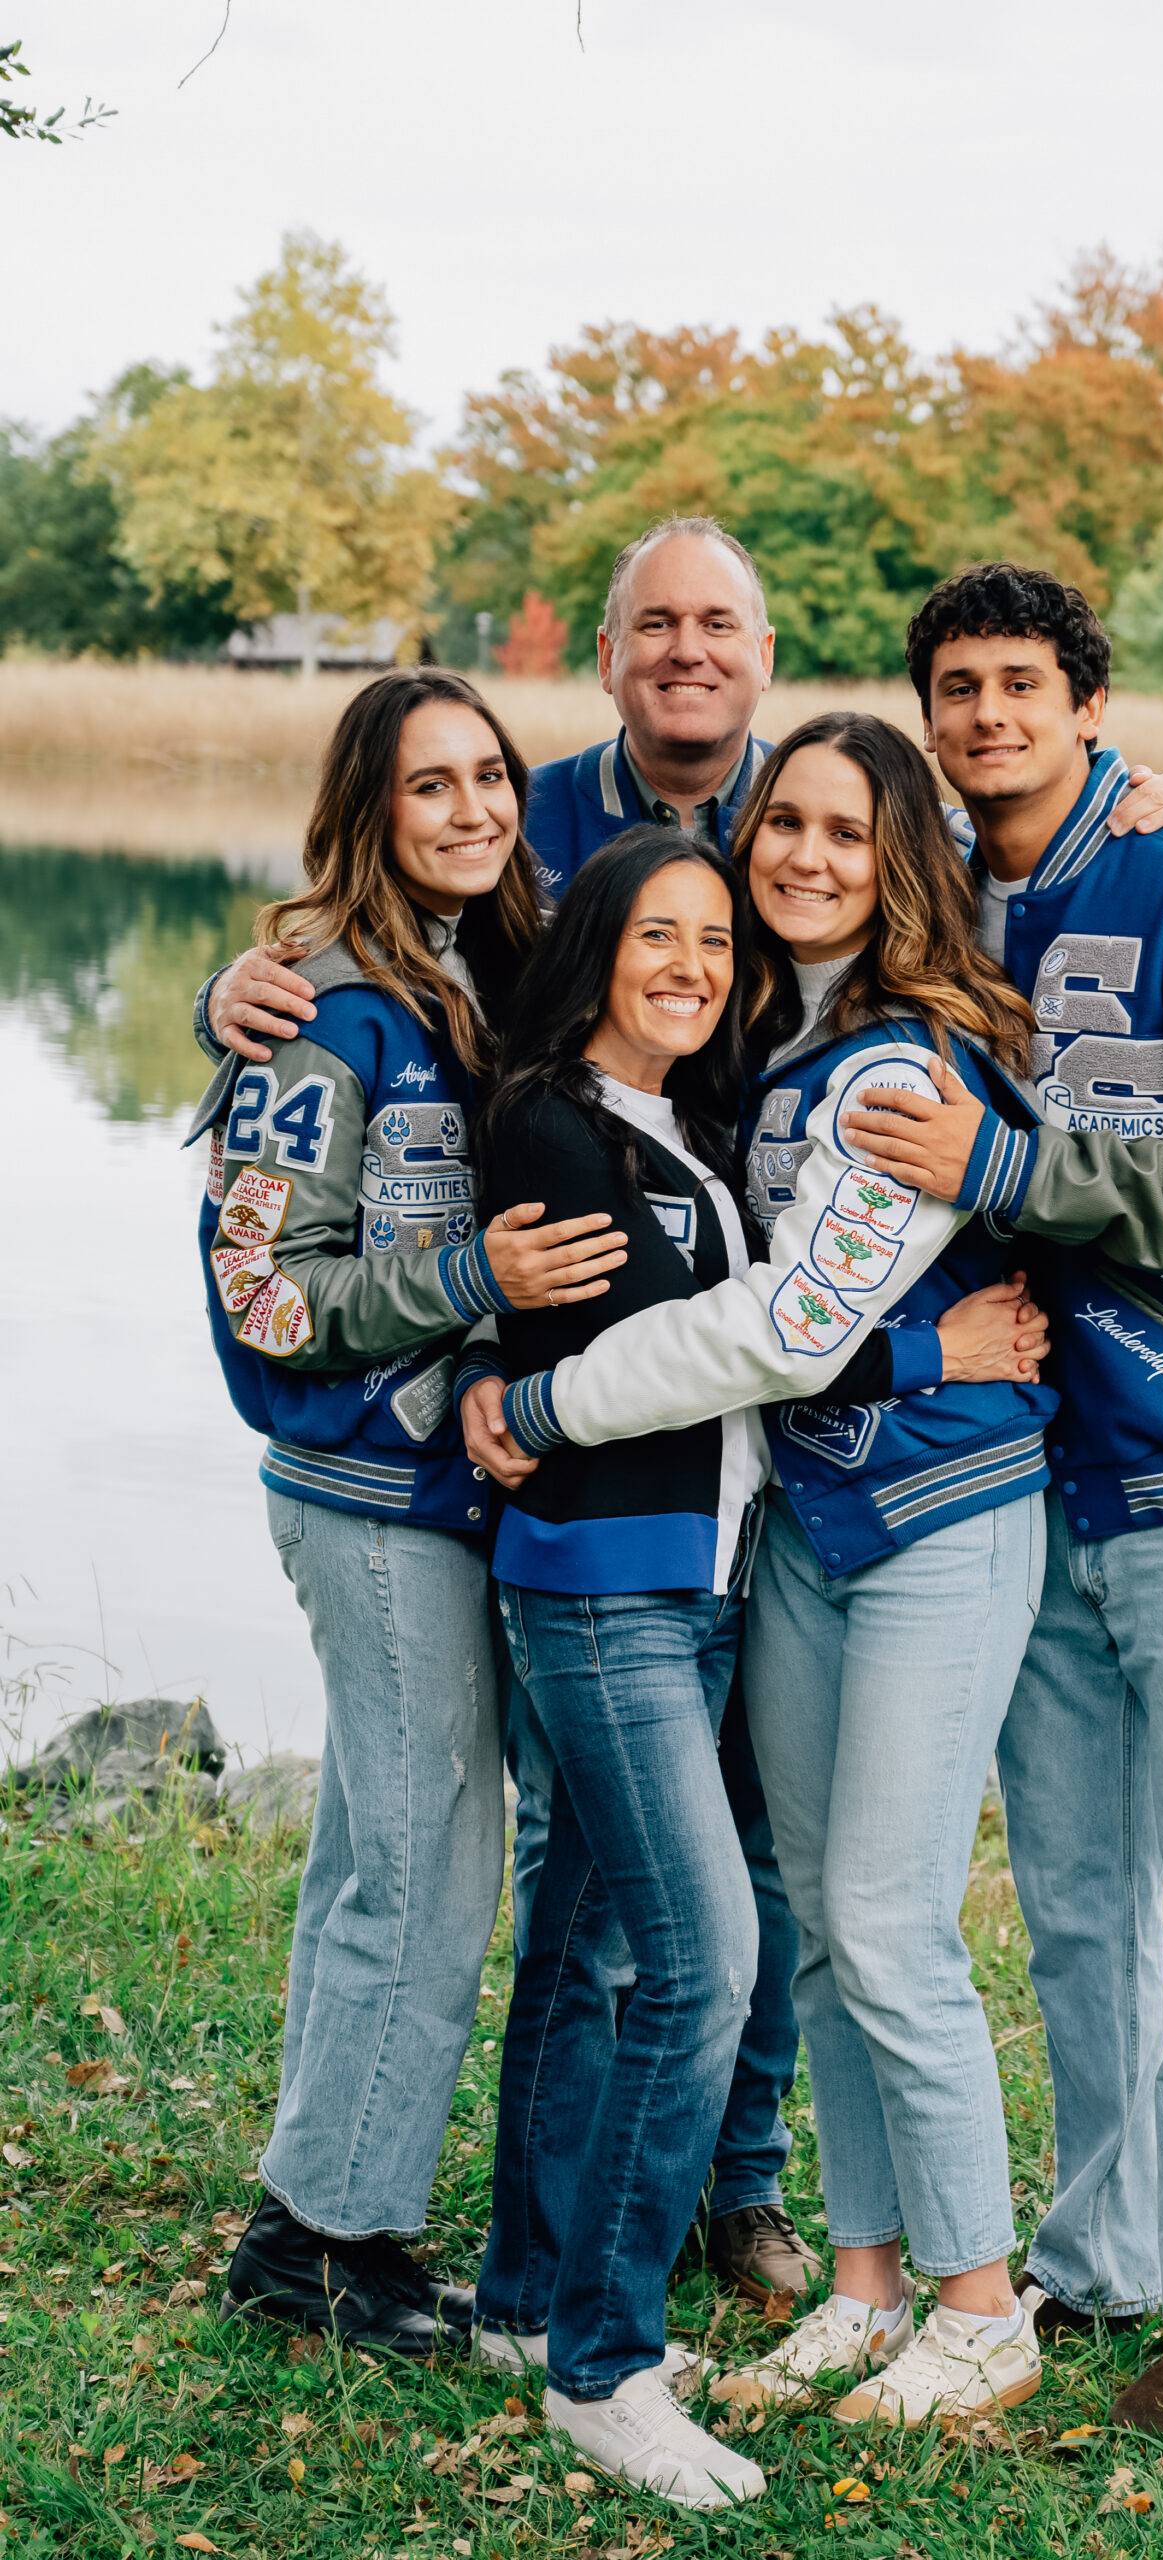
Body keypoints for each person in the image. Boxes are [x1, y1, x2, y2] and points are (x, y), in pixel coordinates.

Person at [190, 515, 1163, 2307]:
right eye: (652, 623)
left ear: (763, 658)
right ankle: (447, 2248)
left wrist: (1162, 798)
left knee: (743, 1880)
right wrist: (243, 1009)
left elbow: (778, 1284)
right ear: (607, 659)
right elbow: (296, 1249)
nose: (469, 813)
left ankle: (724, 2211)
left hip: (735, 1501)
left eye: (721, 623)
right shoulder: (465, 918)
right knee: (512, 1869)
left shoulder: (808, 921)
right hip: (482, 1490)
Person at [842, 562, 1163, 2439]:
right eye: (955, 687)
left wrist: (1017, 1164)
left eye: (1020, 684)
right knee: (1076, 1901)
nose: (986, 715)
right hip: (1035, 1473)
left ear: (1085, 704)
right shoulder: (940, 902)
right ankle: (1105, 2247)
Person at [495, 712, 1064, 2433]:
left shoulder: (899, 1069)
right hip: (804, 1534)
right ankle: (869, 2283)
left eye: (847, 830)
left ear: (907, 860)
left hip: (941, 1524)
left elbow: (797, 1325)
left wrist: (539, 1400)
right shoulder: (769, 1048)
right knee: (820, 1927)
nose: (806, 855)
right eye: (784, 826)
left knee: (889, 1923)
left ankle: (979, 2303)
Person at [190, 669, 623, 2355]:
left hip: (459, 1484)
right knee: (432, 1858)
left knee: (388, 1847)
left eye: (491, 778)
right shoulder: (321, 1008)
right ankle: (326, 2244)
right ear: (369, 811)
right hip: (368, 1490)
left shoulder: (488, 973)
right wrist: (468, 1273)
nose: (472, 810)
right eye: (429, 786)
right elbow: (264, 1296)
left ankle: (321, 2207)